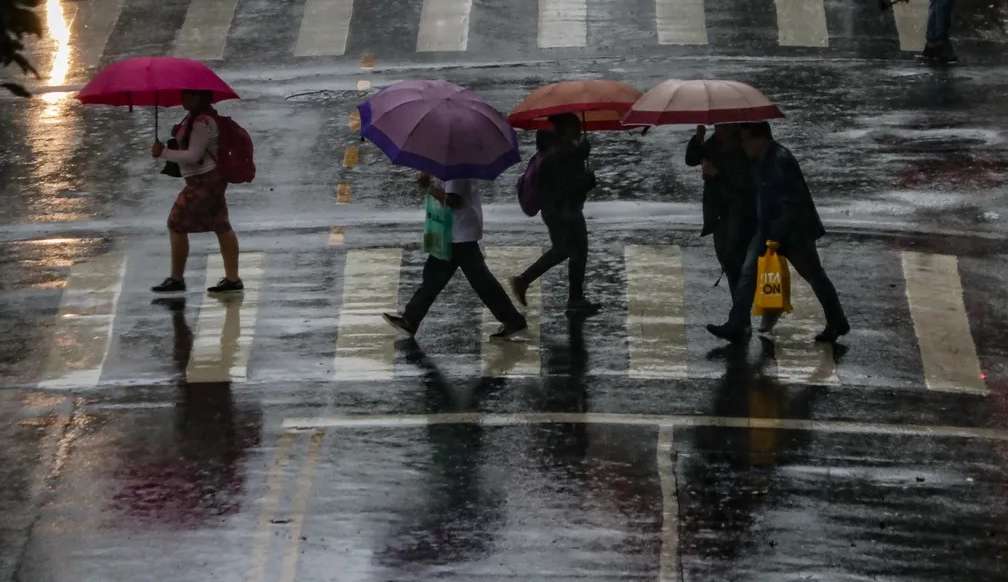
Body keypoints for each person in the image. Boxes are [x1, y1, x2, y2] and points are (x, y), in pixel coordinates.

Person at [707, 122, 850, 344]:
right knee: (748, 272)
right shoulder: (761, 159)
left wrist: (774, 236)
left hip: (793, 231)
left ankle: (837, 321)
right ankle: (737, 323)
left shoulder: (779, 160)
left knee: (814, 275)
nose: (743, 145)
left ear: (760, 138)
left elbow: (790, 203)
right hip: (770, 229)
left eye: (745, 140)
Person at [383, 174, 528, 339]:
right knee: (445, 278)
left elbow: (454, 201)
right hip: (455, 232)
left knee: (470, 280)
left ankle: (410, 320)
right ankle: (410, 319)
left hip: (458, 234)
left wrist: (430, 188)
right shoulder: (451, 167)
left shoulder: (456, 172)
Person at [150, 89, 242, 294]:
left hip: (204, 182)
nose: (183, 98)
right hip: (210, 180)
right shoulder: (195, 118)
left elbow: (194, 156)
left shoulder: (202, 123)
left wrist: (163, 152)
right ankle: (232, 279)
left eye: (188, 95)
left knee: (175, 223)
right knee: (221, 225)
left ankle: (177, 279)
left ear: (199, 97)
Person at [511, 113, 600, 316]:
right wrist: (584, 177)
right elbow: (562, 184)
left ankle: (575, 298)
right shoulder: (559, 152)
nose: (579, 129)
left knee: (578, 251)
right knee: (566, 249)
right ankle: (524, 280)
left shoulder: (563, 149)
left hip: (566, 208)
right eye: (574, 126)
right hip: (560, 210)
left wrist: (583, 174)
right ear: (564, 128)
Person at [685, 123, 763, 327]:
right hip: (718, 215)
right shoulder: (713, 143)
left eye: (723, 125)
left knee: (736, 264)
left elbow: (744, 188)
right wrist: (698, 139)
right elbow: (691, 159)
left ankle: (740, 320)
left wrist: (716, 175)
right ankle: (741, 319)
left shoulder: (743, 148)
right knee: (729, 264)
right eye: (717, 125)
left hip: (739, 215)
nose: (719, 128)